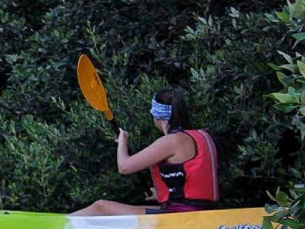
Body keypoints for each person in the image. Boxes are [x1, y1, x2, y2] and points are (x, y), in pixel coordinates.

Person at [72, 88, 219, 216]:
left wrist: (122, 142)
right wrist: (160, 194)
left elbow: (124, 167)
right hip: (197, 214)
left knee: (101, 207)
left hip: (180, 217)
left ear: (156, 116)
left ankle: (52, 227)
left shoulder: (172, 141)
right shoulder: (201, 136)